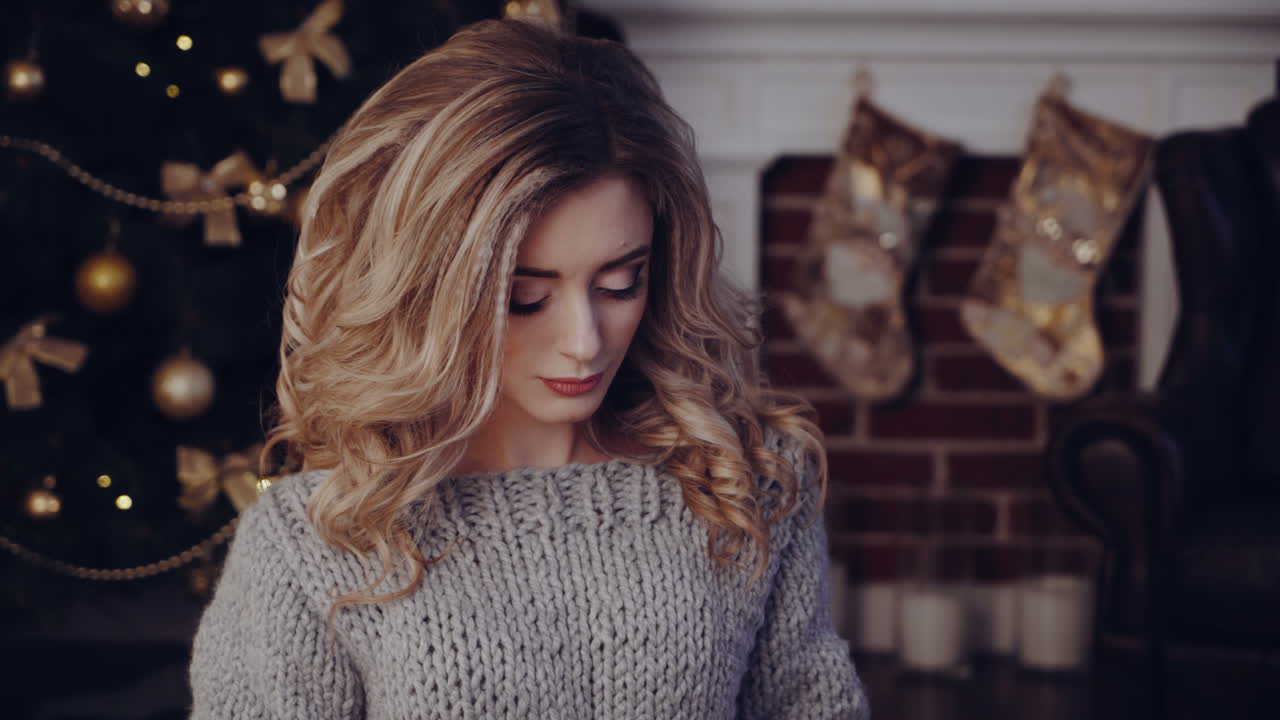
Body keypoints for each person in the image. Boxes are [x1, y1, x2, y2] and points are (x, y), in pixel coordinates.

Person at [187, 17, 869, 720]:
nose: (583, 341)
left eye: (619, 284)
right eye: (524, 297)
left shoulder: (743, 484)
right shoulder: (318, 539)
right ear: (430, 295)